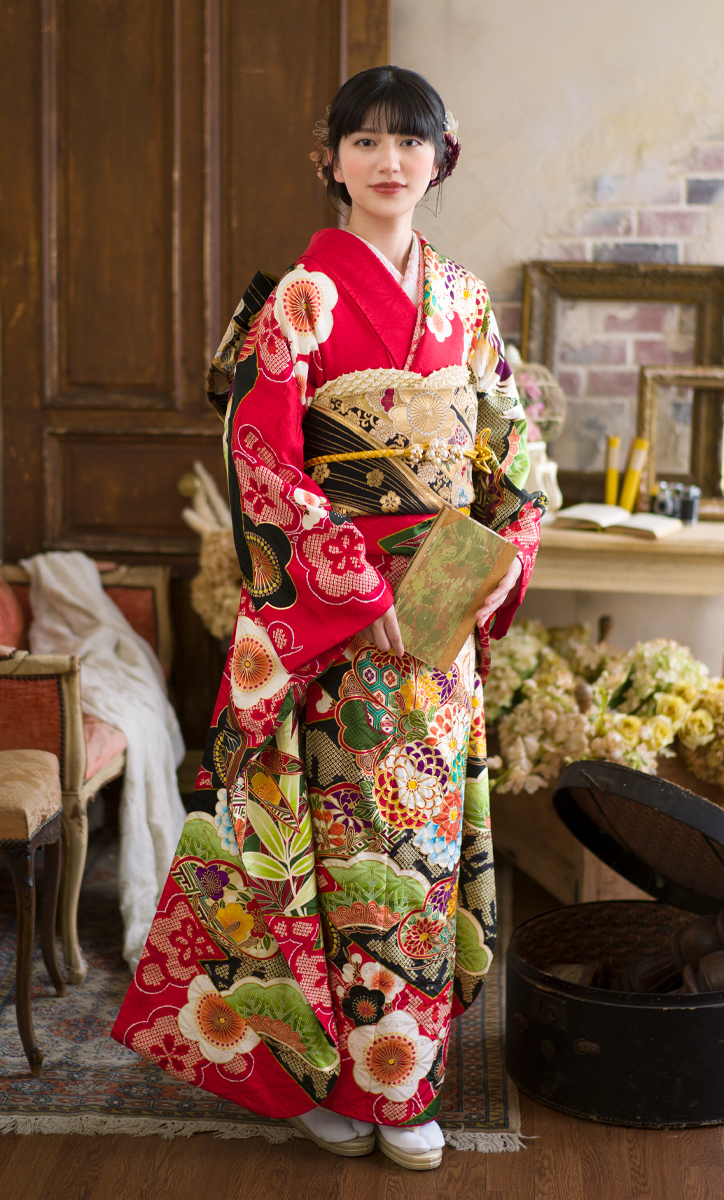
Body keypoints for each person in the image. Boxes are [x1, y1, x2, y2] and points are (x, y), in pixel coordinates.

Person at [112, 65, 546, 1171]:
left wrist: (499, 555)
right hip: (335, 621)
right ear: (331, 160)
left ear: (440, 160)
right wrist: (355, 586)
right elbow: (262, 457)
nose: (388, 161)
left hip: (433, 619)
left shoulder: (463, 299)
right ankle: (322, 1076)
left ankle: (398, 1085)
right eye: (365, 141)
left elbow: (510, 452)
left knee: (415, 853)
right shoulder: (299, 301)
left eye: (410, 142)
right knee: (324, 848)